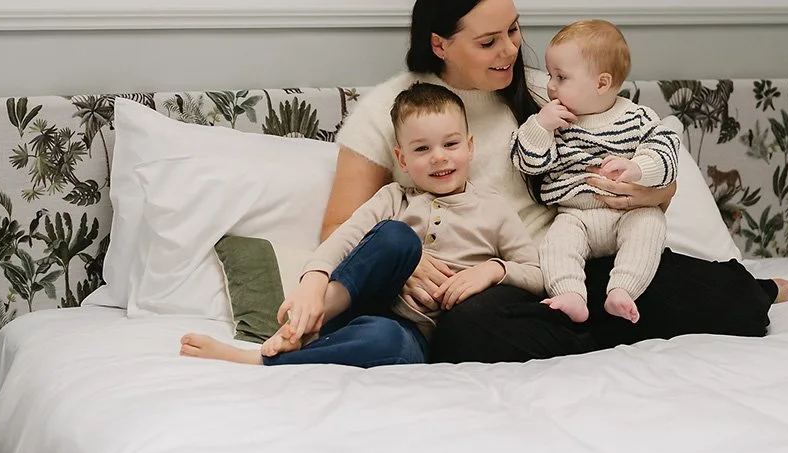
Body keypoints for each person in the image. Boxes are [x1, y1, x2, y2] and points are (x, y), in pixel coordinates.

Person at [277, 0, 788, 366]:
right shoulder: (392, 111)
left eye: (514, 30)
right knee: (469, 331)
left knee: (736, 307)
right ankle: (605, 334)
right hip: (477, 289)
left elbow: (652, 170)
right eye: (488, 41)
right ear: (440, 44)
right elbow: (341, 229)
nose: (510, 49)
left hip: (570, 265)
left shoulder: (547, 94)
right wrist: (406, 264)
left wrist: (646, 192)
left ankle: (683, 302)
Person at [180, 82, 541, 368]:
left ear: (470, 145)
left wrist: (494, 270)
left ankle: (262, 358)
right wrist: (313, 281)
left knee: (388, 343)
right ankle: (311, 319)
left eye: (450, 144)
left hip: (415, 334)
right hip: (359, 303)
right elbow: (346, 238)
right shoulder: (394, 197)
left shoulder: (494, 209)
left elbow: (537, 274)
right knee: (396, 237)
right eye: (421, 149)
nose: (439, 157)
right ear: (401, 157)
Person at [511, 19, 679, 326]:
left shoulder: (637, 117)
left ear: (601, 84)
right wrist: (540, 126)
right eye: (550, 75)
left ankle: (623, 290)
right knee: (557, 242)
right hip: (575, 214)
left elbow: (666, 151)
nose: (550, 86)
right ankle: (571, 294)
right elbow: (529, 163)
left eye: (561, 77)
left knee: (650, 225)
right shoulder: (555, 120)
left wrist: (638, 168)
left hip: (628, 213)